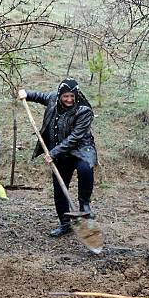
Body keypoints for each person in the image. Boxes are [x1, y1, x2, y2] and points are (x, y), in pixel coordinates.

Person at [17, 78, 98, 237]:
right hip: (61, 153)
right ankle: (65, 224)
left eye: (72, 97)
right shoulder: (53, 99)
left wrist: (53, 152)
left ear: (76, 95)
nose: (69, 100)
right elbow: (41, 96)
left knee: (85, 169)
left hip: (81, 149)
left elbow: (75, 137)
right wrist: (27, 93)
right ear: (60, 95)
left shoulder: (84, 110)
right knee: (60, 188)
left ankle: (84, 206)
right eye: (65, 96)